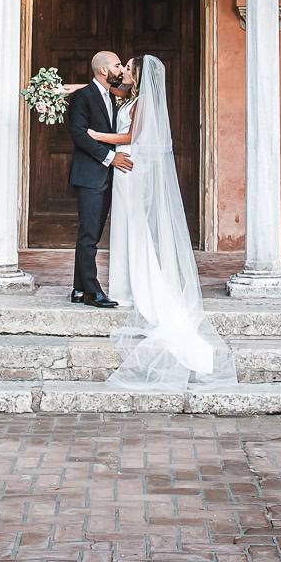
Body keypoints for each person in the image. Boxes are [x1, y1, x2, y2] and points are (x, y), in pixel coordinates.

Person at [81, 54, 235, 390]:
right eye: (121, 67)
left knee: (135, 228)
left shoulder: (145, 102)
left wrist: (95, 135)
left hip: (129, 166)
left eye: (128, 68)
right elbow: (101, 89)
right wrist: (66, 88)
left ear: (138, 74)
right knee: (124, 228)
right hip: (123, 171)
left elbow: (132, 138)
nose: (123, 71)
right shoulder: (132, 97)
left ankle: (140, 288)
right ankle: (124, 287)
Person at [63, 49, 132, 308]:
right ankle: (93, 292)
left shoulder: (112, 95)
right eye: (117, 65)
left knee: (90, 233)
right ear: (104, 70)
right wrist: (110, 157)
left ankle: (79, 289)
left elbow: (129, 84)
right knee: (89, 235)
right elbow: (79, 135)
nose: (121, 69)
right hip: (90, 175)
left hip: (105, 176)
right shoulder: (83, 97)